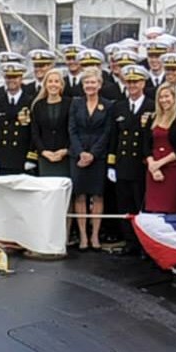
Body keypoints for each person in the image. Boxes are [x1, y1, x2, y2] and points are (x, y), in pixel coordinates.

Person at [107, 65, 153, 252]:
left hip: (141, 165)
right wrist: (111, 163)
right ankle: (130, 242)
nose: (132, 85)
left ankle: (143, 244)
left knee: (141, 204)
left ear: (143, 83)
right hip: (123, 163)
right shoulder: (119, 106)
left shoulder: (151, 106)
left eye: (136, 81)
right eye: (129, 82)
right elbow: (113, 136)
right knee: (124, 206)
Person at [68, 70, 113, 250]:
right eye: (87, 83)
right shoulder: (76, 104)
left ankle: (95, 235)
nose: (90, 86)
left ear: (99, 85)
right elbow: (71, 129)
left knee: (97, 195)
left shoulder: (107, 105)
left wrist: (93, 154)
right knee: (79, 196)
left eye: (93, 82)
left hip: (98, 156)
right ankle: (83, 236)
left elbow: (107, 132)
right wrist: (81, 153)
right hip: (78, 155)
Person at [142, 82, 176, 216]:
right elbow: (146, 145)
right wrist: (153, 165)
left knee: (169, 207)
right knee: (153, 208)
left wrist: (160, 163)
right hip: (153, 169)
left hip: (172, 169)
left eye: (167, 96)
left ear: (174, 98)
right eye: (161, 97)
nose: (164, 100)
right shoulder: (152, 118)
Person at [0, 60, 36, 176]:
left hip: (23, 158)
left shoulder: (30, 101)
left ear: (21, 78)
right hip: (2, 159)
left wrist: (32, 156)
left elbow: (34, 132)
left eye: (15, 77)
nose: (11, 80)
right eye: (8, 77)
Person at [30, 68, 73, 178]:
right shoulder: (38, 106)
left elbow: (73, 129)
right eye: (50, 81)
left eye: (56, 81)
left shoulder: (70, 103)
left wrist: (66, 150)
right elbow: (35, 132)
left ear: (61, 85)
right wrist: (43, 151)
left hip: (65, 156)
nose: (53, 84)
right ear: (45, 84)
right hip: (45, 157)